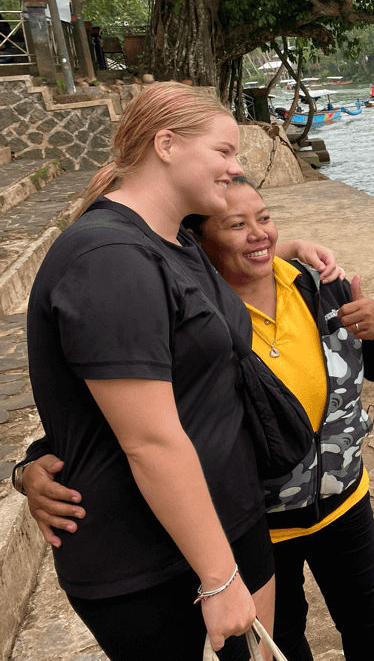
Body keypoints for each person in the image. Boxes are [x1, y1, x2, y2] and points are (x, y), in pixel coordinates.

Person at [16, 82, 341, 660]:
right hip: (154, 560)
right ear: (166, 144)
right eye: (223, 151)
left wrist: (284, 247)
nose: (235, 167)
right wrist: (218, 578)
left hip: (229, 517)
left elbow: (195, 344)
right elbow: (149, 439)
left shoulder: (173, 242)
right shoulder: (109, 261)